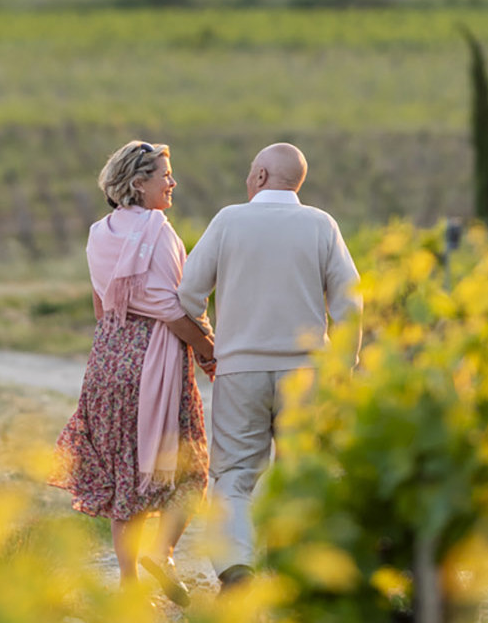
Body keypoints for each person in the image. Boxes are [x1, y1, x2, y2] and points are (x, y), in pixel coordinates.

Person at [177, 142, 361, 592]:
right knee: (302, 471)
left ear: (259, 176)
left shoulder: (228, 221)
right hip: (307, 371)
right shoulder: (322, 225)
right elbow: (350, 305)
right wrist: (343, 366)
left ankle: (238, 569)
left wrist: (209, 345)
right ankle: (295, 566)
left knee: (236, 476)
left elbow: (187, 296)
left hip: (240, 370)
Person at [52, 141, 215, 605]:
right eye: (164, 174)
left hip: (109, 357)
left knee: (126, 474)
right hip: (154, 359)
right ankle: (160, 554)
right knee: (188, 468)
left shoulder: (99, 232)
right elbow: (171, 307)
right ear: (137, 183)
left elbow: (101, 306)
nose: (172, 182)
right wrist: (207, 350)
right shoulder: (159, 232)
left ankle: (128, 586)